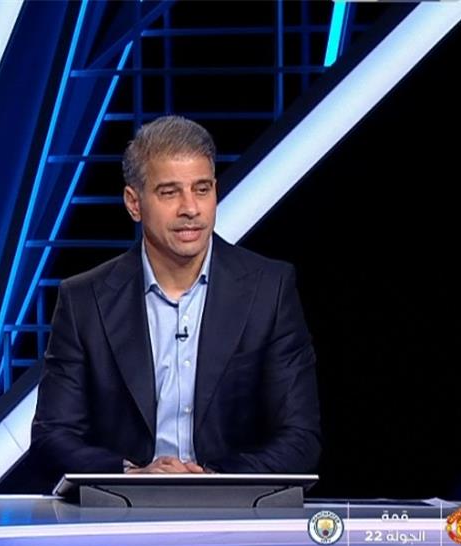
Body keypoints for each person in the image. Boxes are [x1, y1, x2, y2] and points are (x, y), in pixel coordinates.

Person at [31, 115, 320, 475]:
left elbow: (300, 438)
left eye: (202, 189)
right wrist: (132, 476)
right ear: (134, 203)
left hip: (233, 504)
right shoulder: (84, 300)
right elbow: (52, 436)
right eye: (170, 192)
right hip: (124, 504)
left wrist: (213, 480)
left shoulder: (269, 289)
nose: (190, 209)